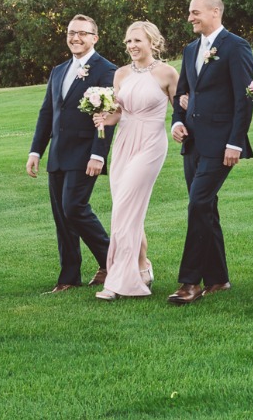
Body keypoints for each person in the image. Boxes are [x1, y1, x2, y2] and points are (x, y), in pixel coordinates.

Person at [167, 0, 253, 305]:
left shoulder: (236, 46)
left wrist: (235, 142)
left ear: (214, 11)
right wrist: (177, 122)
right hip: (192, 142)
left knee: (197, 203)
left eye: (195, 12)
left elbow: (243, 99)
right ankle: (218, 278)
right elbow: (181, 95)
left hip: (221, 144)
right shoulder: (190, 49)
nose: (190, 18)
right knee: (206, 207)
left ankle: (190, 282)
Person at [25, 14, 116, 294]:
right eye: (71, 33)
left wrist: (98, 154)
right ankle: (69, 277)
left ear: (94, 37)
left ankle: (113, 260)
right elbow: (47, 113)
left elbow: (107, 115)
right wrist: (36, 151)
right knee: (62, 216)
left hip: (86, 152)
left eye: (82, 33)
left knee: (74, 208)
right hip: (58, 154)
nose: (75, 38)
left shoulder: (106, 70)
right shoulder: (58, 70)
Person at [90, 21, 178, 300]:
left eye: (137, 40)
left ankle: (118, 282)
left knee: (125, 208)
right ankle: (142, 266)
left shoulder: (167, 73)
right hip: (124, 143)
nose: (131, 46)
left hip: (151, 143)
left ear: (152, 41)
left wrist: (182, 128)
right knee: (126, 209)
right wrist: (104, 117)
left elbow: (181, 111)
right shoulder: (121, 74)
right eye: (128, 41)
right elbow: (119, 112)